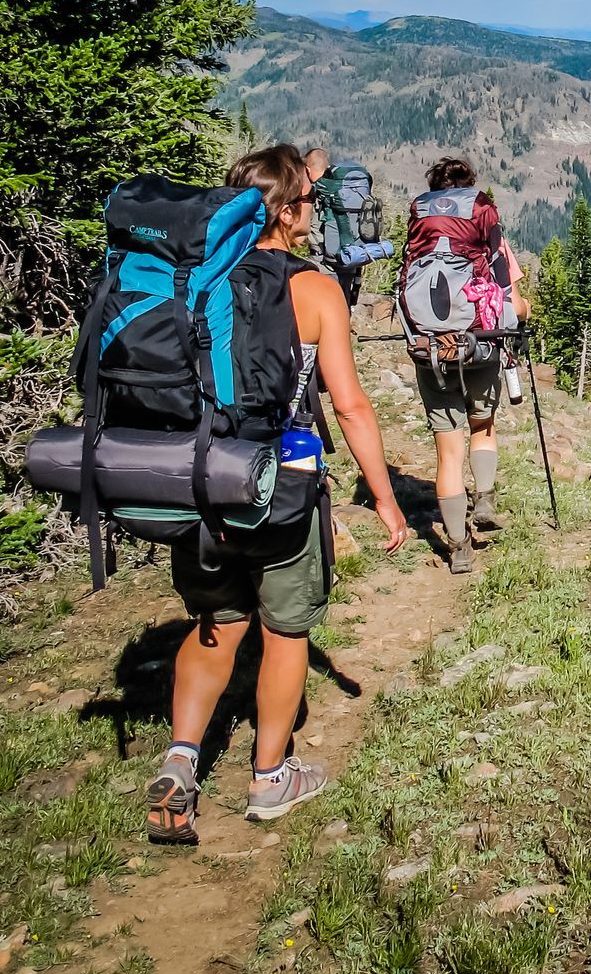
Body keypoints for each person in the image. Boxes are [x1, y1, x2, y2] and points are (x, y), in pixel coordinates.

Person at [146, 145, 412, 843]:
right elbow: (350, 407)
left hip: (199, 480)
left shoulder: (194, 279)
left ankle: (180, 762)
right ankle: (269, 778)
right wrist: (383, 497)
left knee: (216, 625)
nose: (312, 215)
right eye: (307, 204)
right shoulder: (315, 290)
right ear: (290, 212)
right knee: (284, 629)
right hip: (283, 486)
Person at [402, 156, 528, 573]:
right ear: (469, 186)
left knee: (447, 452)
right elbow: (503, 281)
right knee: (482, 425)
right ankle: (486, 499)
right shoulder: (482, 210)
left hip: (431, 349)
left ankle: (458, 547)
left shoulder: (419, 216)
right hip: (479, 343)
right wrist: (517, 316)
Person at [302, 147, 361, 308]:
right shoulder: (344, 189)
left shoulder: (316, 192)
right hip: (349, 259)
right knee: (342, 307)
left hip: (323, 263)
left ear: (307, 169)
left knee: (322, 311)